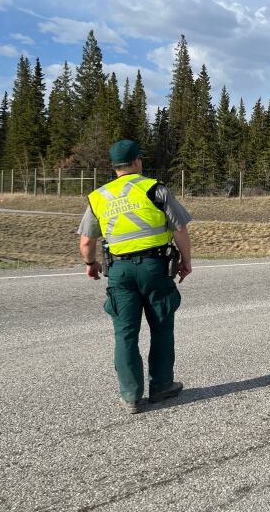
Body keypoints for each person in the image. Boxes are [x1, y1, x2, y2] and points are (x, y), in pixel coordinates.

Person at [78, 139, 193, 414]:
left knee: (125, 333)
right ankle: (162, 386)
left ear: (114, 166)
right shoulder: (155, 188)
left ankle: (131, 395)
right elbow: (179, 229)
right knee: (162, 327)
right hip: (155, 268)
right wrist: (186, 261)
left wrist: (91, 263)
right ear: (138, 162)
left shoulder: (99, 196)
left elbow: (85, 242)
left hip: (119, 271)